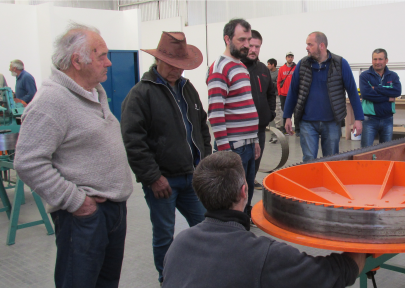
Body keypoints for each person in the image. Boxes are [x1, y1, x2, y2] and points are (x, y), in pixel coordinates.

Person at [14, 23, 133, 287]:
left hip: (112, 211)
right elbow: (28, 162)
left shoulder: (94, 92)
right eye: (101, 55)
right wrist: (78, 202)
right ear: (77, 61)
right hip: (84, 218)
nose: (109, 62)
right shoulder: (51, 101)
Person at [162, 151, 366, 288]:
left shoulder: (179, 244)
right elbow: (332, 274)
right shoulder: (263, 255)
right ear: (244, 191)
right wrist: (361, 248)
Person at [121, 31, 212, 284]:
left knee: (205, 225)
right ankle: (167, 278)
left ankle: (202, 271)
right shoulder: (141, 94)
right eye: (171, 65)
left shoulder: (187, 89)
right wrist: (152, 177)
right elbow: (133, 141)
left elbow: (202, 127)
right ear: (158, 60)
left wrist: (204, 160)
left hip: (192, 177)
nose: (176, 71)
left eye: (180, 66)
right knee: (163, 234)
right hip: (162, 182)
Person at [206, 18, 261, 219]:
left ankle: (243, 234)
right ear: (227, 39)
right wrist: (225, 152)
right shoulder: (220, 68)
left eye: (248, 39)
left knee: (245, 197)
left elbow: (247, 105)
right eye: (241, 40)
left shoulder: (241, 66)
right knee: (231, 202)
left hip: (247, 145)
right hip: (232, 147)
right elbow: (216, 112)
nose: (247, 45)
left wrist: (254, 140)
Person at [283, 32, 364, 162]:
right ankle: (312, 183)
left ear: (321, 45)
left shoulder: (340, 63)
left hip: (332, 122)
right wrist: (287, 116)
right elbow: (293, 91)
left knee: (331, 159)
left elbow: (353, 92)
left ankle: (329, 183)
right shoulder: (302, 64)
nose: (306, 47)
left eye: (310, 44)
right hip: (307, 122)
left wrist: (358, 119)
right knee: (309, 159)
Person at [241, 30, 276, 190]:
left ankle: (247, 204)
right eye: (251, 46)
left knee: (254, 167)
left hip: (259, 130)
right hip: (240, 132)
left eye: (258, 46)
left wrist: (270, 114)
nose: (254, 50)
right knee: (239, 174)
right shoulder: (236, 68)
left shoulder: (263, 69)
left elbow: (270, 93)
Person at [359, 48, 401, 147]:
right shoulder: (365, 76)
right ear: (372, 60)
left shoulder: (393, 76)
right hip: (369, 120)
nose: (377, 62)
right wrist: (387, 98)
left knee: (385, 151)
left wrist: (377, 88)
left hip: (388, 119)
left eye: (380, 59)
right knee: (366, 151)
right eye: (375, 59)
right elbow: (366, 94)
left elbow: (397, 91)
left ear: (386, 60)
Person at [277, 52, 297, 134]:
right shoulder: (281, 68)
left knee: (296, 111)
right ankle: (285, 129)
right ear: (286, 58)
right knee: (285, 111)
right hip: (284, 94)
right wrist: (279, 92)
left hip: (294, 94)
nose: (290, 58)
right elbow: (278, 81)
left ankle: (297, 129)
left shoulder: (296, 68)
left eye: (291, 57)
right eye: (288, 57)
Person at [267, 58, 283, 143]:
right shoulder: (267, 72)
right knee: (271, 117)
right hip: (268, 97)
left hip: (276, 96)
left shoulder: (278, 73)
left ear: (273, 65)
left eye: (269, 64)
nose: (268, 65)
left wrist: (270, 84)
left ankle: (277, 136)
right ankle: (273, 135)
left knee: (277, 117)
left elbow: (278, 84)